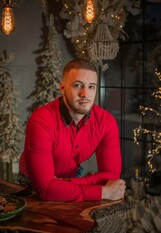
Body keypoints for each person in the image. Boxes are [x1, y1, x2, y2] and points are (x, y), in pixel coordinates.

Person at [19, 58, 126, 202]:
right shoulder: (41, 120)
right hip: (31, 187)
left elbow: (111, 176)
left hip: (72, 181)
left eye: (91, 86)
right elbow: (44, 189)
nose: (85, 94)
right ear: (62, 88)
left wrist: (61, 184)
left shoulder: (106, 122)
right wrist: (102, 192)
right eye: (77, 85)